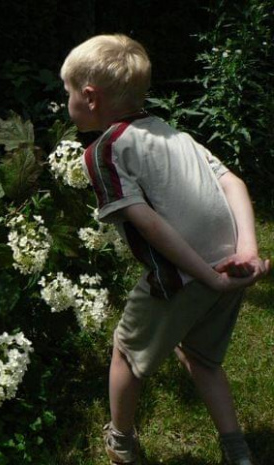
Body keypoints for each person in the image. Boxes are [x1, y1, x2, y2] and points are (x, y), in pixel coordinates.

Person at [59, 34, 270, 465]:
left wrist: (207, 276)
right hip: (233, 267)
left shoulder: (104, 151)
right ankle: (238, 452)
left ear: (89, 97)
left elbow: (148, 224)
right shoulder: (175, 133)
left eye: (66, 92)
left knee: (125, 354)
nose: (65, 101)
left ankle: (120, 443)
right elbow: (234, 181)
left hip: (186, 277)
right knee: (201, 358)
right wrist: (247, 251)